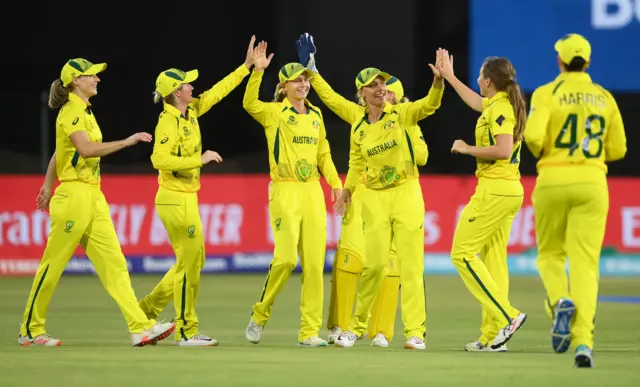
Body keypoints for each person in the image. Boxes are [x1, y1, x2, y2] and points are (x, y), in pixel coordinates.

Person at [296, 33, 443, 350]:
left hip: (406, 192)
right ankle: (355, 327)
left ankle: (416, 332)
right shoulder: (357, 120)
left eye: (383, 85)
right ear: (362, 93)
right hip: (374, 199)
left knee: (411, 266)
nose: (381, 90)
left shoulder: (399, 114)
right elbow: (354, 156)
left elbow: (429, 106)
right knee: (374, 266)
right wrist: (347, 190)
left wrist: (439, 83)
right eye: (373, 86)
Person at [19, 58, 176, 347]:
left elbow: (60, 151)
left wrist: (45, 184)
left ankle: (139, 327)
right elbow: (86, 149)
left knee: (115, 265)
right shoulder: (71, 111)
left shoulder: (85, 112)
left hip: (93, 195)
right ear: (75, 81)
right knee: (52, 266)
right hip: (74, 197)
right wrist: (127, 142)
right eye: (91, 75)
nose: (97, 79)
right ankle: (30, 329)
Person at [136, 36, 258, 347]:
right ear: (177, 92)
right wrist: (198, 160)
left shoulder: (190, 112)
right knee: (190, 262)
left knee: (193, 260)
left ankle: (147, 309)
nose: (193, 87)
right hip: (174, 199)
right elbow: (158, 159)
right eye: (188, 84)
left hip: (185, 197)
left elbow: (217, 93)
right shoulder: (168, 121)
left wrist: (246, 68)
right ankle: (187, 331)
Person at [524, 33, 627, 368]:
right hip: (593, 182)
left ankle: (560, 299)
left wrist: (546, 150)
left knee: (550, 255)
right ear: (589, 61)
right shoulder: (604, 98)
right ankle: (584, 343)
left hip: (553, 179)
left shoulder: (546, 93)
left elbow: (534, 137)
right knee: (585, 264)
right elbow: (619, 150)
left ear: (560, 61)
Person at [242, 40, 342, 347]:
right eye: (297, 80)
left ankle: (308, 332)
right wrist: (257, 72)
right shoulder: (273, 113)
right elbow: (249, 103)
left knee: (314, 264)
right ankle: (260, 314)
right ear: (284, 86)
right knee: (285, 260)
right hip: (285, 191)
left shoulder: (316, 116)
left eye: (306, 79)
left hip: (312, 190)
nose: (303, 84)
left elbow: (323, 153)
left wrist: (336, 185)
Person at [435, 48, 527, 351]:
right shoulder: (497, 103)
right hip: (507, 188)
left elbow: (501, 150)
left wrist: (466, 148)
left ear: (488, 80)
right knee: (493, 261)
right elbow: (477, 103)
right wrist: (449, 77)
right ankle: (492, 338)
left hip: (495, 189)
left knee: (462, 254)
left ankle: (507, 316)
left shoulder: (501, 110)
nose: (476, 80)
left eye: (479, 76)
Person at [325, 76, 414, 348]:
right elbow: (331, 98)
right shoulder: (358, 115)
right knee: (350, 259)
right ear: (363, 93)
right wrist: (314, 73)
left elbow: (420, 156)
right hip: (362, 193)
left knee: (389, 264)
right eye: (380, 92)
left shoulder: (402, 120)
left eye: (391, 95)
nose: (385, 97)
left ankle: (381, 331)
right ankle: (339, 325)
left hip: (392, 195)